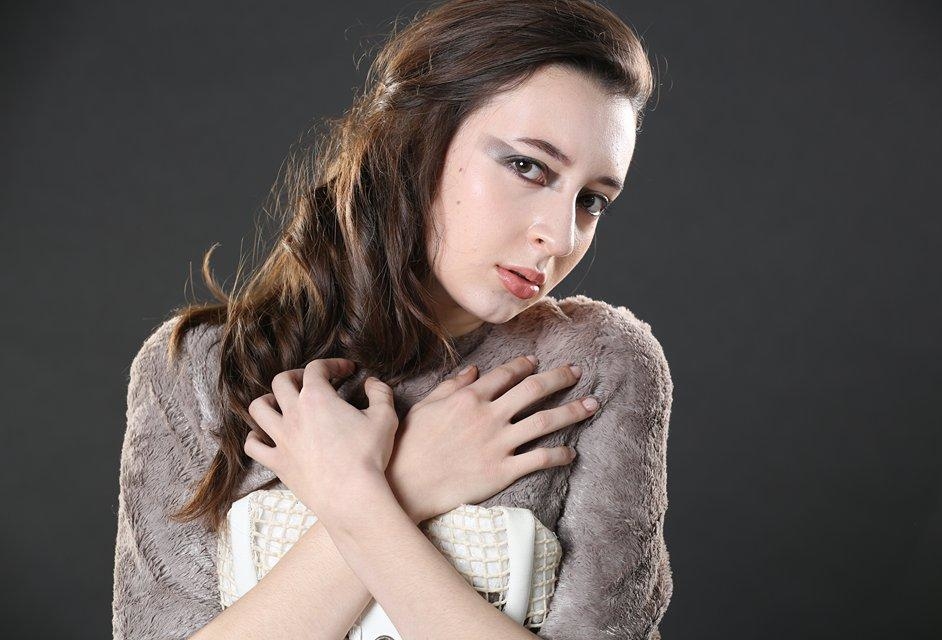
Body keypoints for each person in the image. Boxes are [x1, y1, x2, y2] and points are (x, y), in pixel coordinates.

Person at [111, 0, 674, 638]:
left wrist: (366, 501)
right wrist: (413, 480)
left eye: (592, 200)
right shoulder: (200, 369)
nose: (560, 235)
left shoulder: (592, 366)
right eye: (527, 167)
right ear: (417, 143)